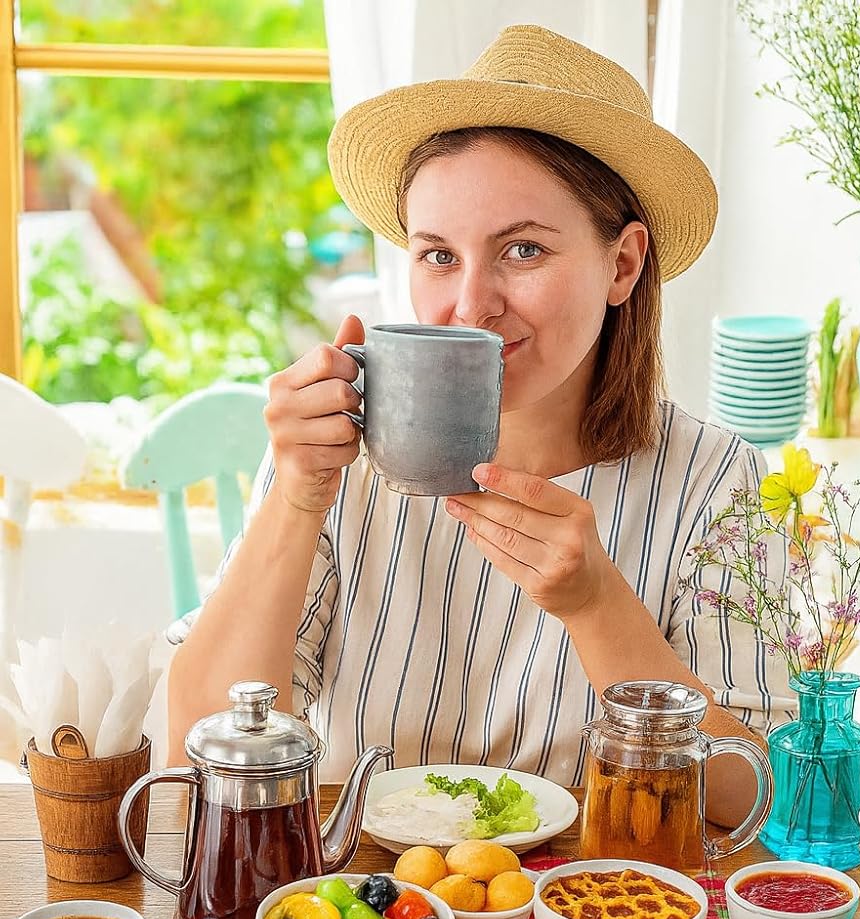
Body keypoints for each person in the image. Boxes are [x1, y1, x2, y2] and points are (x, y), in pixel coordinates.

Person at [167, 24, 792, 825]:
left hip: (595, 914)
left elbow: (746, 802)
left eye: (523, 250)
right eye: (437, 255)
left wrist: (599, 606)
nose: (471, 305)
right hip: (365, 917)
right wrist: (295, 500)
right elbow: (196, 745)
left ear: (623, 264)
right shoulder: (338, 461)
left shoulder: (715, 480)